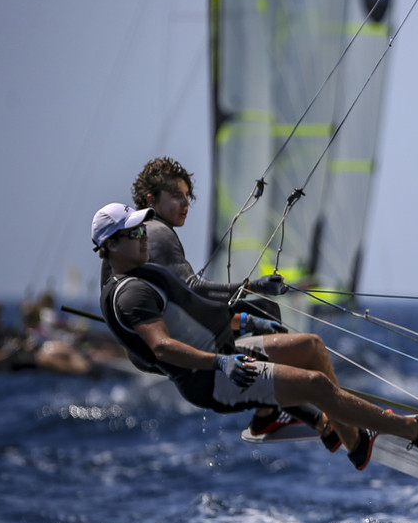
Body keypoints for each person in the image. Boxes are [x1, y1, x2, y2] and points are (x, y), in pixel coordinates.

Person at [93, 202, 418, 469]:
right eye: (133, 233)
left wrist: (250, 322)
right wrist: (221, 361)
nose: (143, 238)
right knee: (317, 385)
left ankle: (355, 442)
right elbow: (161, 347)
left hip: (225, 349)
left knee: (309, 346)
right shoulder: (131, 293)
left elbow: (192, 317)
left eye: (142, 229)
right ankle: (415, 431)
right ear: (109, 245)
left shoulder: (145, 276)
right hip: (213, 377)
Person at [113, 156, 291, 432]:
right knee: (263, 311)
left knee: (243, 314)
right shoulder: (157, 231)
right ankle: (272, 407)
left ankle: (270, 397)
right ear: (151, 199)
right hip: (164, 344)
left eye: (187, 196)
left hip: (139, 352)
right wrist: (253, 286)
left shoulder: (131, 235)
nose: (185, 204)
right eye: (176, 196)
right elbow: (192, 288)